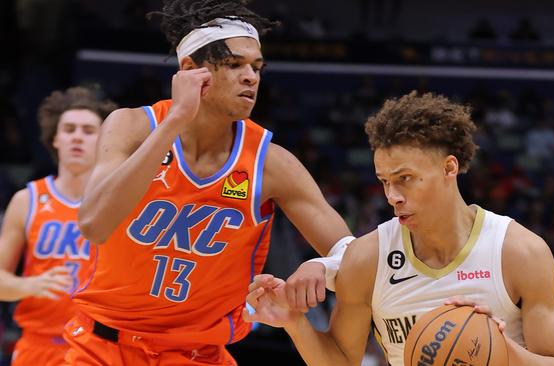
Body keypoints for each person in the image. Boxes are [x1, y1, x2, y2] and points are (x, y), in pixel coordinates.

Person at [68, 0, 352, 364]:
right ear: (190, 69)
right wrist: (175, 120)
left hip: (198, 353)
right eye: (234, 65)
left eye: (257, 67)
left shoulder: (271, 164)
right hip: (103, 346)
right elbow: (94, 224)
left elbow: (349, 251)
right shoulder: (133, 127)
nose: (251, 77)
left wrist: (320, 266)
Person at [246, 91, 554, 366]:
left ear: (449, 167)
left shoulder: (519, 252)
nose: (392, 196)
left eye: (405, 179)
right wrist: (294, 323)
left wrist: (498, 347)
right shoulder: (368, 257)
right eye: (384, 182)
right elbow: (342, 360)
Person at [0, 86, 116, 365]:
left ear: (103, 141)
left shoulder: (118, 202)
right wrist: (29, 285)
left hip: (98, 347)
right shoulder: (27, 200)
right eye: (70, 129)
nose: (78, 137)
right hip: (38, 347)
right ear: (55, 138)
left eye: (88, 131)